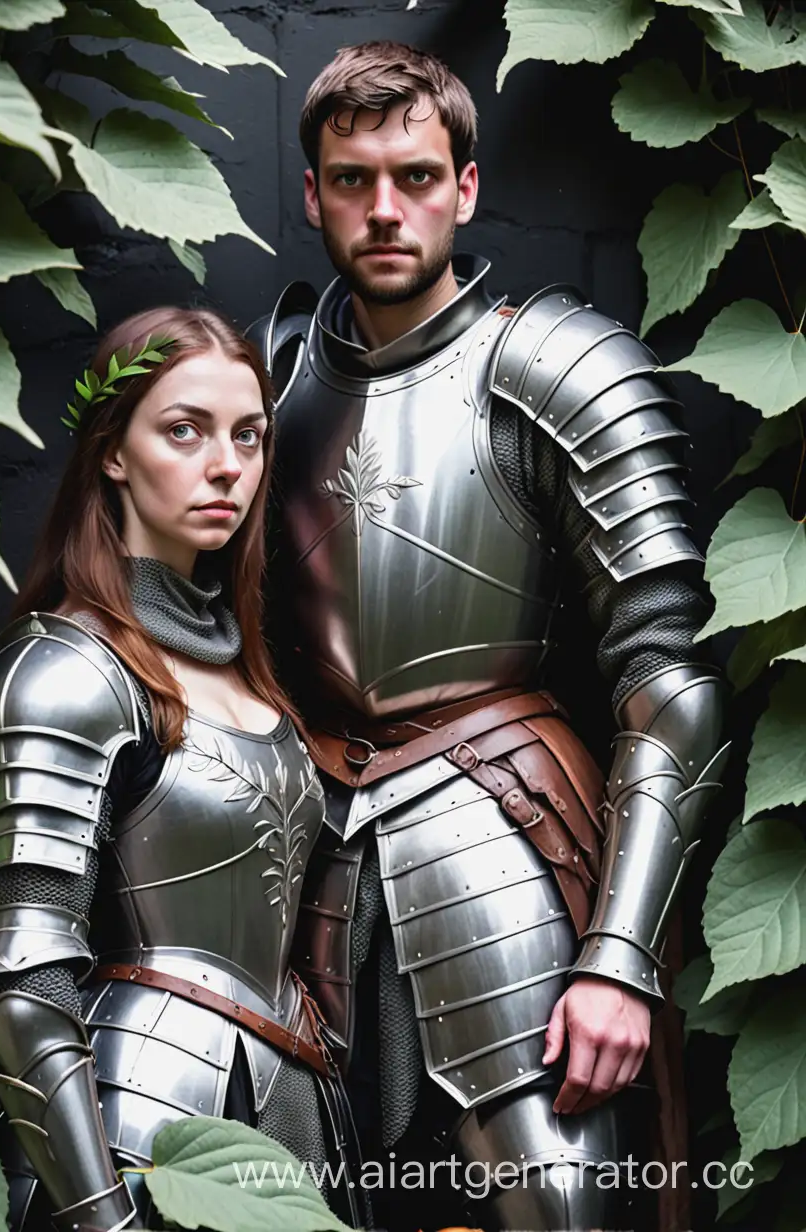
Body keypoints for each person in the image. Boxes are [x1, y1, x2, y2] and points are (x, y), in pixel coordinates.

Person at [249, 41, 728, 1231]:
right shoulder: (267, 376)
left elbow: (665, 680)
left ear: (465, 187)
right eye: (352, 180)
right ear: (311, 193)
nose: (384, 207)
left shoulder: (560, 366)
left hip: (495, 812)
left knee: (552, 1195)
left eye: (414, 176)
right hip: (300, 832)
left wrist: (619, 955)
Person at [0, 308, 361, 1232]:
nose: (227, 465)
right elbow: (26, 990)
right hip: (131, 1124)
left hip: (296, 1113)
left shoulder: (253, 669)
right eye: (184, 430)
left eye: (249, 436)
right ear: (113, 451)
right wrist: (105, 1217)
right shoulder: (64, 669)